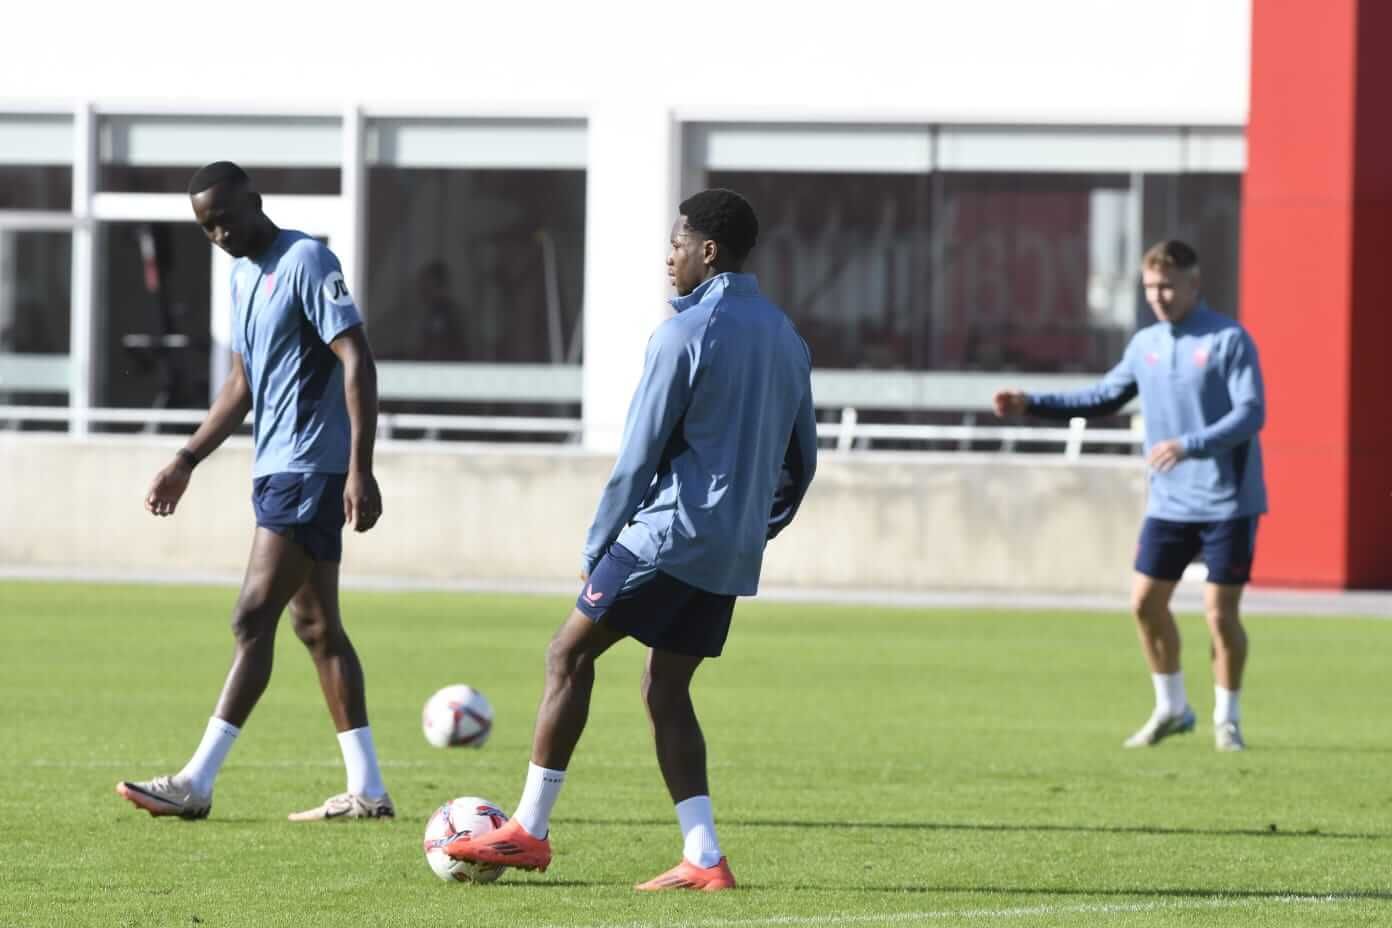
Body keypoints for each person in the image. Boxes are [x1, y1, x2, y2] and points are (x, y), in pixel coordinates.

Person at [443, 189, 818, 890]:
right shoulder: (787, 338)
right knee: (665, 688)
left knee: (566, 653)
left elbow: (637, 457)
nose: (667, 258)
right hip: (728, 552)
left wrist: (598, 547)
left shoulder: (683, 334)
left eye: (676, 245)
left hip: (664, 539)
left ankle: (528, 828)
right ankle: (704, 857)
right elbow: (803, 462)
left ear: (708, 251)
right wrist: (750, 532)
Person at [115, 161, 394, 821]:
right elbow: (240, 386)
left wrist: (361, 467)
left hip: (309, 469)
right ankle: (369, 791)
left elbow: (356, 356)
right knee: (317, 627)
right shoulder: (241, 277)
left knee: (251, 616)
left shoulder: (306, 259)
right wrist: (186, 458)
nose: (218, 234)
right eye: (206, 227)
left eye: (225, 219)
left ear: (254, 202)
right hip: (276, 469)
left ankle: (197, 781)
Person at [994, 239, 1266, 752]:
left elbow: (1251, 413)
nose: (1158, 296)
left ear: (1192, 282)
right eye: (1149, 288)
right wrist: (1032, 403)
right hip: (1170, 501)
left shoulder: (1229, 339)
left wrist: (1190, 445)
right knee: (1144, 604)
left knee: (1219, 614)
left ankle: (1226, 719)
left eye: (1166, 285)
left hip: (1227, 500)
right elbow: (1101, 397)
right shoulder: (1145, 345)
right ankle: (1172, 707)